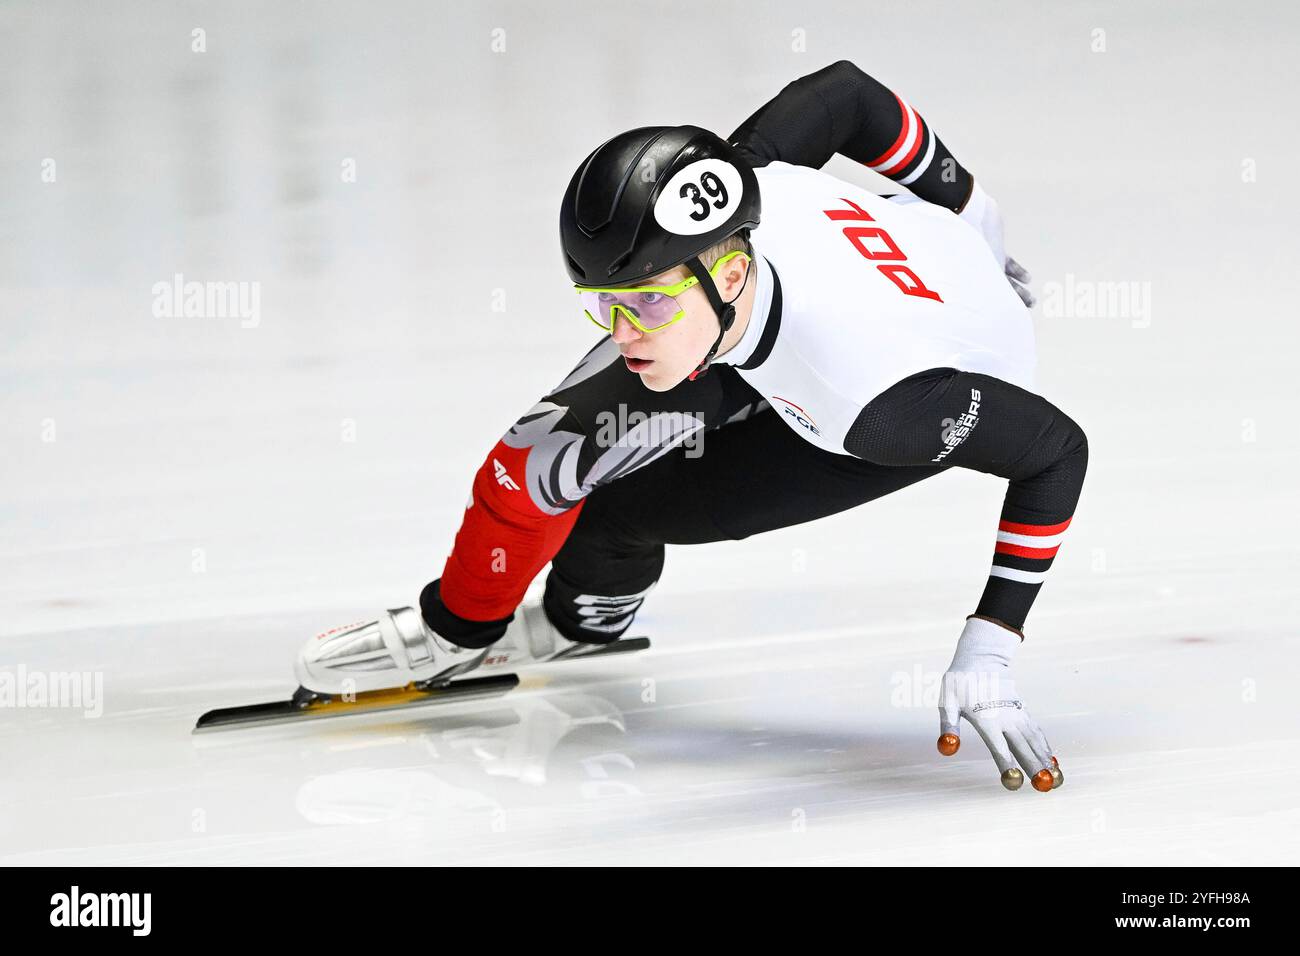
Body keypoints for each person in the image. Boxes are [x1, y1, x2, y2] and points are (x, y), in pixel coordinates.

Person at [294, 60, 1086, 792]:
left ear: (731, 269)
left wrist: (992, 642)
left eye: (644, 304)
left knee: (617, 513)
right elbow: (846, 94)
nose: (622, 332)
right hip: (825, 300)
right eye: (605, 306)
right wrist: (966, 201)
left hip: (904, 374)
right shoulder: (737, 181)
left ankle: (584, 617)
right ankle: (463, 627)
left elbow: (1056, 450)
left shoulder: (877, 407)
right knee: (550, 456)